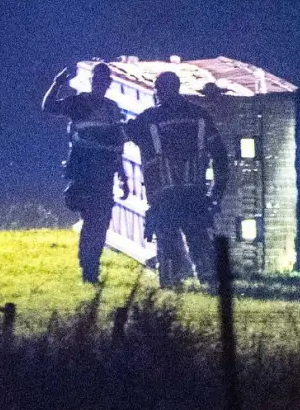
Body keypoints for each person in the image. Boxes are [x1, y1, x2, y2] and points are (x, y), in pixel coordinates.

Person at [125, 71, 230, 289]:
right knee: (199, 239)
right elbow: (220, 155)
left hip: (163, 195)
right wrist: (216, 193)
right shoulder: (199, 115)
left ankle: (172, 286)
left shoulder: (149, 119)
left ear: (160, 90)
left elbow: (123, 134)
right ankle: (210, 284)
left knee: (167, 241)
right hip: (195, 193)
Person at [42, 63, 130, 283]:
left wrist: (122, 175)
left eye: (104, 81)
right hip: (84, 173)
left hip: (104, 175)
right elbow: (49, 107)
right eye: (98, 80)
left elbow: (117, 144)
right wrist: (57, 83)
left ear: (109, 83)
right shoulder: (79, 102)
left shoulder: (112, 108)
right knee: (93, 220)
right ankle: (88, 269)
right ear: (93, 81)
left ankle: (91, 267)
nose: (101, 84)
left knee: (99, 223)